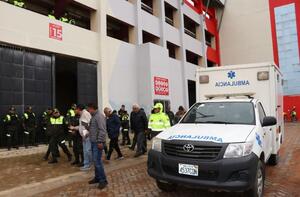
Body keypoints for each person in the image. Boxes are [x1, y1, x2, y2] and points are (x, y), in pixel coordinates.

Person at [87, 103, 108, 190]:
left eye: (89, 109)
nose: (88, 111)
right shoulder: (94, 116)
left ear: (92, 108)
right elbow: (94, 128)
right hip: (93, 142)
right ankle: (97, 178)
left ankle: (103, 180)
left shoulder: (99, 116)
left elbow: (102, 130)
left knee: (97, 161)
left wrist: (100, 141)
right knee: (95, 161)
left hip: (97, 143)